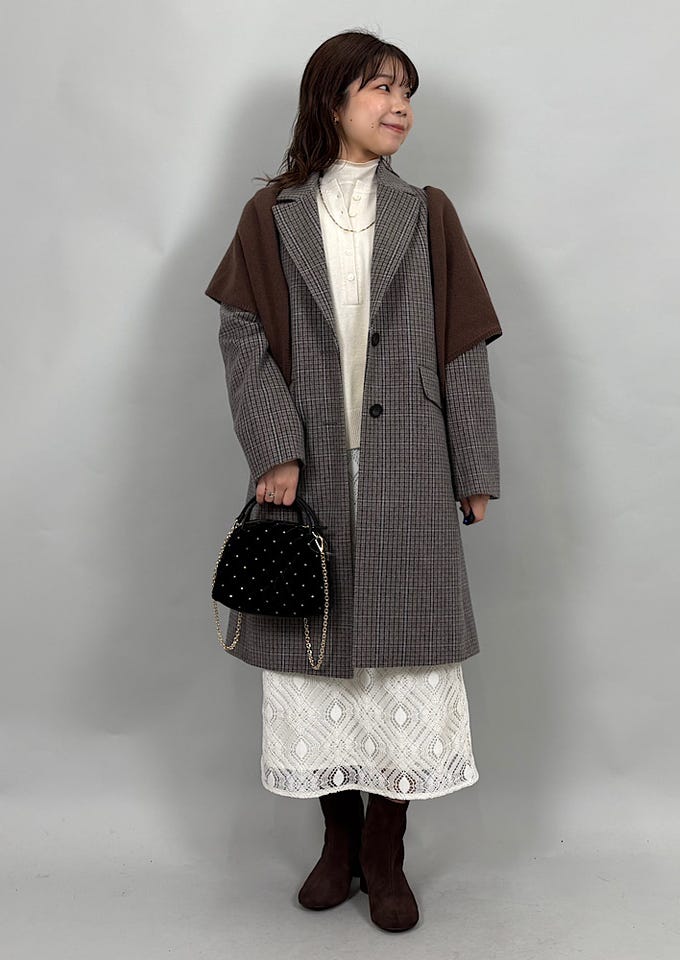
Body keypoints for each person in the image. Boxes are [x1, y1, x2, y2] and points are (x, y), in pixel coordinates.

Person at [205, 29, 503, 933]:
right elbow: (242, 338)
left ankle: (386, 851)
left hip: (410, 464)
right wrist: (276, 450)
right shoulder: (271, 215)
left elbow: (464, 350)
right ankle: (336, 844)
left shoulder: (430, 212)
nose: (399, 105)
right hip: (314, 473)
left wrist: (474, 467)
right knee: (319, 656)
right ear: (332, 99)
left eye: (407, 90)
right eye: (379, 87)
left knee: (404, 659)